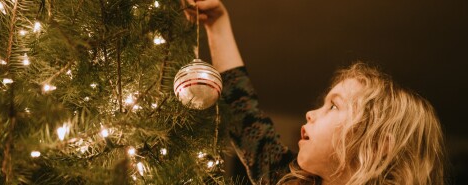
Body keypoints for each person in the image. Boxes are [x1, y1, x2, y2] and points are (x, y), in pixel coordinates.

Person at [184, 0, 446, 184]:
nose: (310, 114)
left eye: (333, 106)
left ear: (377, 148)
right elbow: (244, 116)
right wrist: (217, 23)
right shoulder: (288, 180)